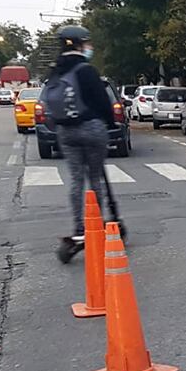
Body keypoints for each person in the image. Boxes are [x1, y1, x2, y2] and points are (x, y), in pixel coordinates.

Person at [47, 25, 124, 263]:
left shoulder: (55, 71)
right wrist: (110, 123)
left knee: (76, 179)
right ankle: (97, 222)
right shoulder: (86, 70)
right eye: (87, 43)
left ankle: (79, 227)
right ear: (80, 44)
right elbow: (102, 101)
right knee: (95, 178)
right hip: (91, 129)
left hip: (66, 132)